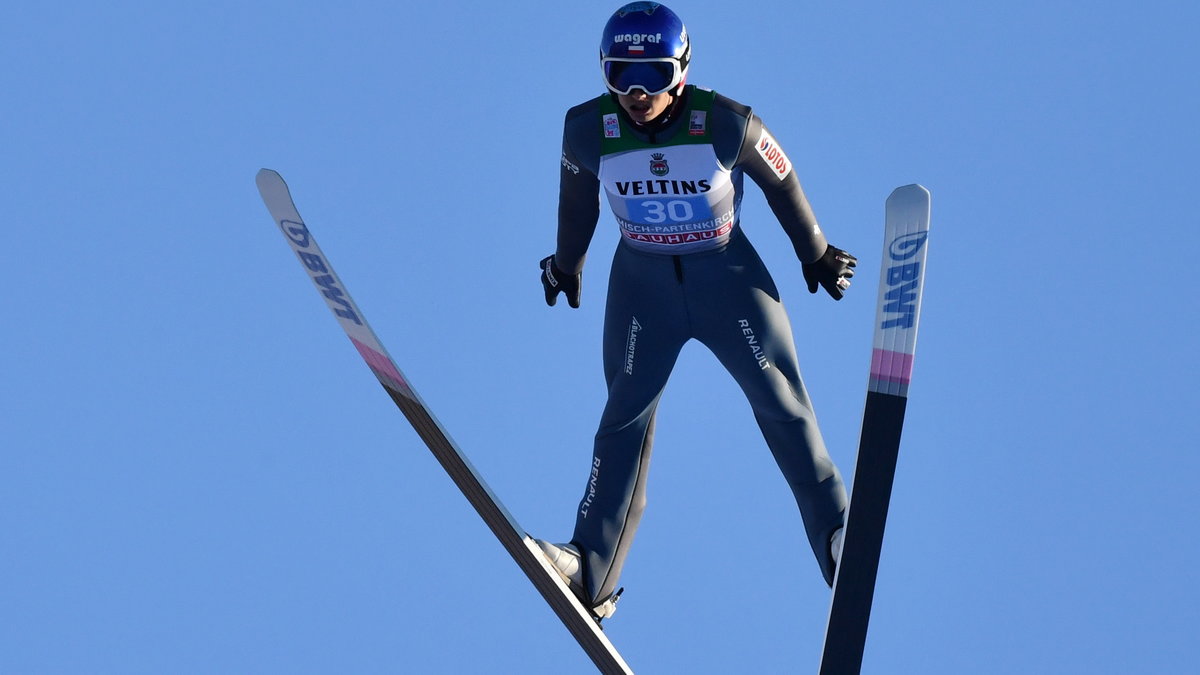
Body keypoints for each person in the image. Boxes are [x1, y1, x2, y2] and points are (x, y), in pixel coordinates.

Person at [537, 1, 856, 619]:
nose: (635, 93)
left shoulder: (725, 122)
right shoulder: (586, 129)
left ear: (680, 70)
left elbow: (782, 181)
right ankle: (588, 569)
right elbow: (578, 204)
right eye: (618, 75)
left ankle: (840, 538)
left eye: (652, 75)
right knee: (623, 419)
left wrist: (814, 251)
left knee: (782, 401)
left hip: (726, 278)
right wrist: (565, 262)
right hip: (642, 288)